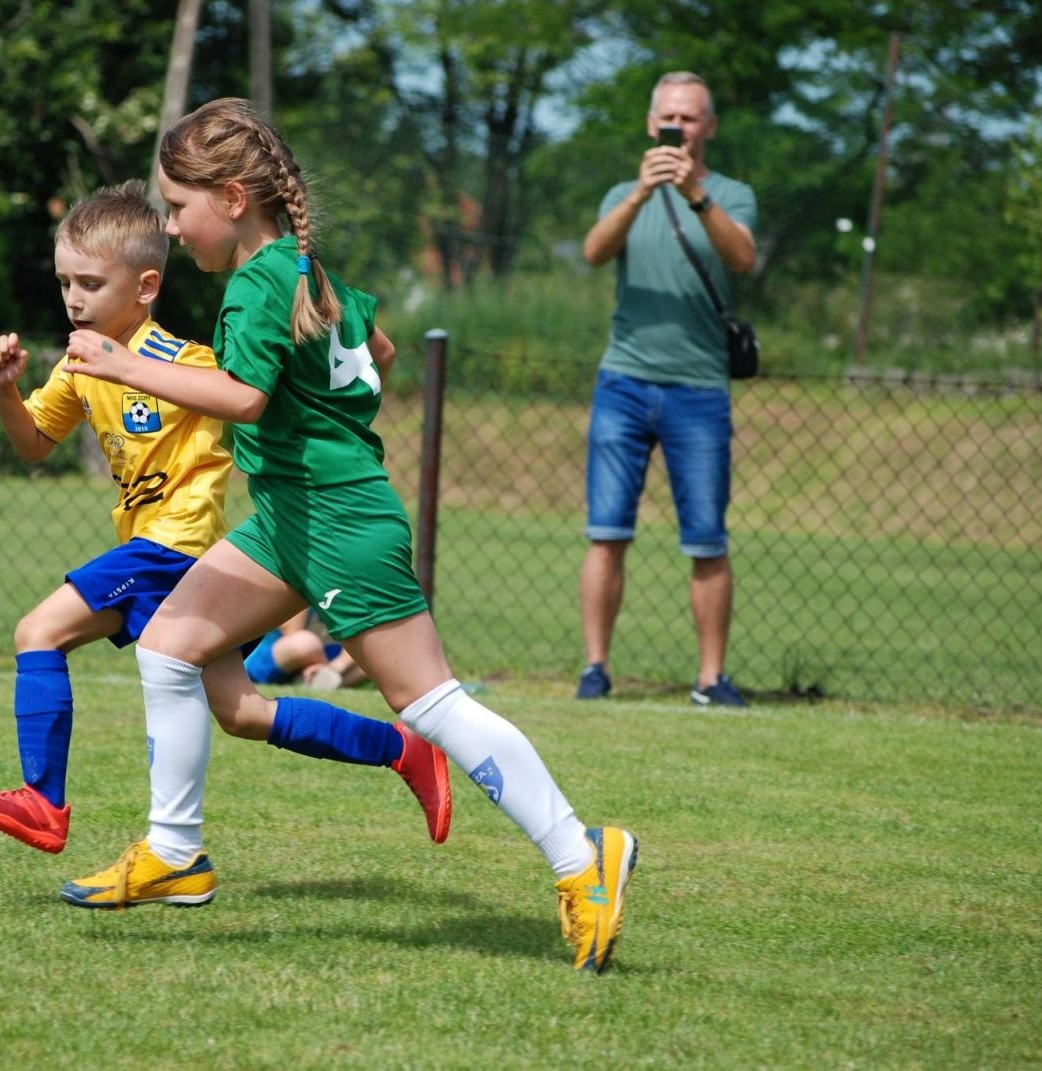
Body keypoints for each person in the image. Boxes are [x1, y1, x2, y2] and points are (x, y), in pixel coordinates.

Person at [62, 99, 637, 973]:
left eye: (178, 208)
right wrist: (328, 411)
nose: (170, 228)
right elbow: (382, 350)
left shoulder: (259, 282)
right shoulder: (304, 270)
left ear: (229, 195)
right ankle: (174, 856)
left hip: (337, 516)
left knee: (429, 701)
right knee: (171, 646)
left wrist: (121, 363)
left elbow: (247, 399)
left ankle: (580, 853)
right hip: (293, 513)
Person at [0, 180, 451, 857]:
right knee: (241, 712)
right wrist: (4, 390)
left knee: (39, 629)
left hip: (178, 550)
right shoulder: (81, 365)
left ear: (146, 286)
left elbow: (254, 394)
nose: (73, 298)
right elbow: (34, 440)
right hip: (185, 570)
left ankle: (42, 802)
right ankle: (403, 748)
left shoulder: (185, 367)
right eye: (65, 281)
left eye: (91, 283)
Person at [575, 71, 757, 707]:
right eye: (669, 116)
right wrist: (642, 195)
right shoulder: (624, 192)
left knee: (707, 536)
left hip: (699, 388)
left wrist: (696, 197)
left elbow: (742, 260)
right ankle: (595, 671)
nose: (679, 126)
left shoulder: (732, 194)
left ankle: (711, 678)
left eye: (691, 116)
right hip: (623, 380)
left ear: (709, 127)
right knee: (606, 533)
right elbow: (594, 253)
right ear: (653, 123)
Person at [244, 608, 367, 690]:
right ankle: (317, 680)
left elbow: (359, 632)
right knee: (305, 643)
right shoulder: (304, 575)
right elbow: (291, 631)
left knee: (370, 658)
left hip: (317, 658)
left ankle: (316, 682)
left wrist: (335, 666)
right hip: (271, 653)